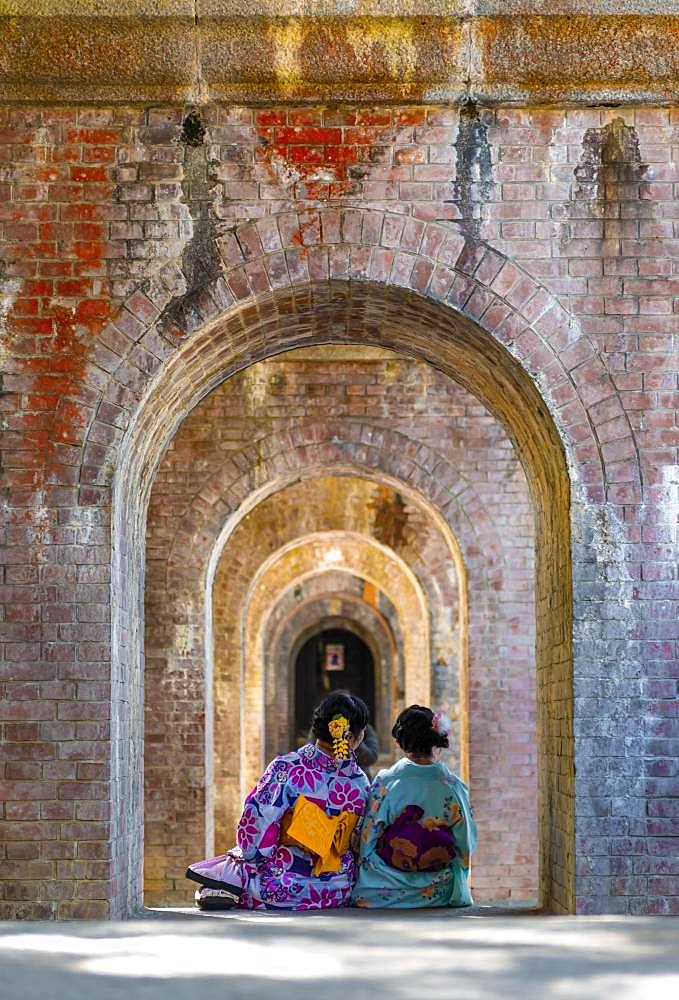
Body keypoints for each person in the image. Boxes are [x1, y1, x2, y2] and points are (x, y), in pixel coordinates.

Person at [186, 692, 370, 910]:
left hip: (280, 888)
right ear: (352, 737)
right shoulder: (360, 783)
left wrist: (250, 858)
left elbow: (253, 831)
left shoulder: (285, 769)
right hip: (336, 890)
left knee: (230, 867)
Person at [351, 705, 477, 909]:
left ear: (399, 741)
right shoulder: (454, 787)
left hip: (385, 889)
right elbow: (466, 844)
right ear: (436, 739)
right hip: (439, 891)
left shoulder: (386, 782)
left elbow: (368, 839)